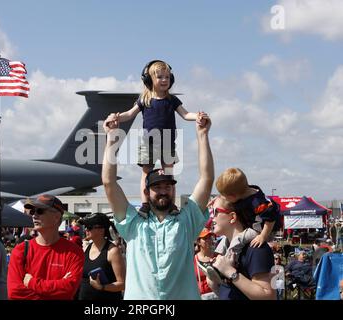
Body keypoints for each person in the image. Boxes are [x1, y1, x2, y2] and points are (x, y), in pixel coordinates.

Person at [102, 112, 214, 299]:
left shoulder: (187, 222)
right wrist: (111, 139)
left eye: (168, 187)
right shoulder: (133, 224)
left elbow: (207, 179)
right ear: (146, 192)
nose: (163, 191)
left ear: (174, 191)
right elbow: (108, 182)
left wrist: (202, 135)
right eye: (157, 187)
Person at [104, 60, 203, 217]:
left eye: (167, 77)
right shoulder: (144, 99)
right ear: (149, 80)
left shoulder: (172, 100)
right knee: (146, 173)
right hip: (148, 143)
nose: (164, 80)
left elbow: (185, 114)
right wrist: (116, 117)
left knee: (169, 175)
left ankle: (171, 205)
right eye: (160, 77)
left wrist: (197, 116)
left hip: (168, 142)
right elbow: (129, 114)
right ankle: (145, 204)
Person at [208, 168, 281, 283]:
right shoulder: (242, 190)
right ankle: (216, 259)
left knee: (238, 239)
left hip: (262, 229)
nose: (223, 197)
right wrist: (216, 199)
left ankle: (231, 262)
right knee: (224, 240)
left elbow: (270, 219)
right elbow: (227, 193)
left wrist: (263, 236)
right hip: (254, 225)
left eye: (225, 196)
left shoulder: (258, 202)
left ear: (233, 196)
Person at [7, 194, 84, 300]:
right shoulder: (20, 250)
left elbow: (68, 290)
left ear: (56, 217)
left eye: (40, 211)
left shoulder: (74, 252)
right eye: (33, 211)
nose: (34, 215)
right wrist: (57, 288)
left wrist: (31, 282)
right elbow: (15, 292)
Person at [206, 196, 276, 300]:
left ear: (232, 217)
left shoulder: (256, 248)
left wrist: (229, 271)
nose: (212, 217)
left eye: (216, 212)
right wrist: (215, 282)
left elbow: (268, 296)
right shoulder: (225, 249)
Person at [78, 213, 125, 300]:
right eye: (86, 227)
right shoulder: (86, 247)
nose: (85, 230)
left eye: (89, 227)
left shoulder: (112, 251)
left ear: (101, 230)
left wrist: (102, 287)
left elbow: (122, 284)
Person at [194, 227, 218, 300]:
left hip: (218, 295)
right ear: (198, 242)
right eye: (205, 238)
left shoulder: (218, 257)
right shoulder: (193, 260)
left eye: (210, 237)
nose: (209, 240)